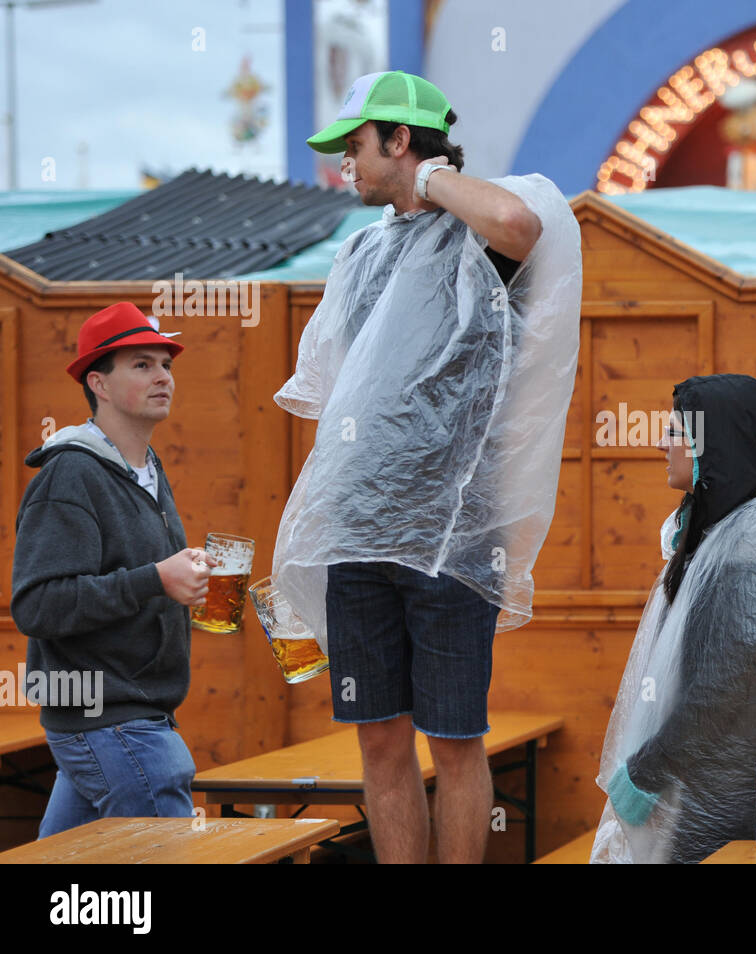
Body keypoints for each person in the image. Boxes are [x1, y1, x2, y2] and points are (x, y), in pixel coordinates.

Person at [272, 71, 580, 864]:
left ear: (400, 140)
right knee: (379, 740)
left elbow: (518, 224)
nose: (344, 163)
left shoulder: (478, 230)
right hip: (359, 532)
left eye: (356, 146)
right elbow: (337, 389)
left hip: (452, 534)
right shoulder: (364, 251)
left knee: (454, 739)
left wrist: (431, 180)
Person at [591, 374, 756, 863]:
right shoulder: (718, 534)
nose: (660, 444)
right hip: (707, 789)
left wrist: (645, 772)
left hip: (729, 803)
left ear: (708, 447)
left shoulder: (747, 552)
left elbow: (721, 689)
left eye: (674, 432)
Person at [11, 301, 216, 838]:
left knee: (62, 869)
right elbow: (38, 605)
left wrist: (180, 575)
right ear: (98, 383)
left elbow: (137, 578)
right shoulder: (71, 475)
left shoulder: (146, 470)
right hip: (114, 725)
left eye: (165, 364)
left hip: (123, 719)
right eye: (142, 365)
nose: (163, 376)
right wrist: (156, 579)